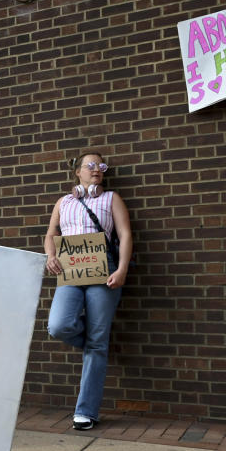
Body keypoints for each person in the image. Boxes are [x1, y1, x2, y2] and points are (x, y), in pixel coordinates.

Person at [44, 153, 132, 431]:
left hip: (103, 267)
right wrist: (50, 256)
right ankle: (97, 346)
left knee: (97, 341)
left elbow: (126, 234)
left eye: (100, 166)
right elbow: (50, 234)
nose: (96, 170)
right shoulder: (64, 202)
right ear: (77, 172)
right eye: (90, 166)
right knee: (59, 325)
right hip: (71, 269)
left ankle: (86, 411)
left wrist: (122, 270)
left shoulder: (111, 199)